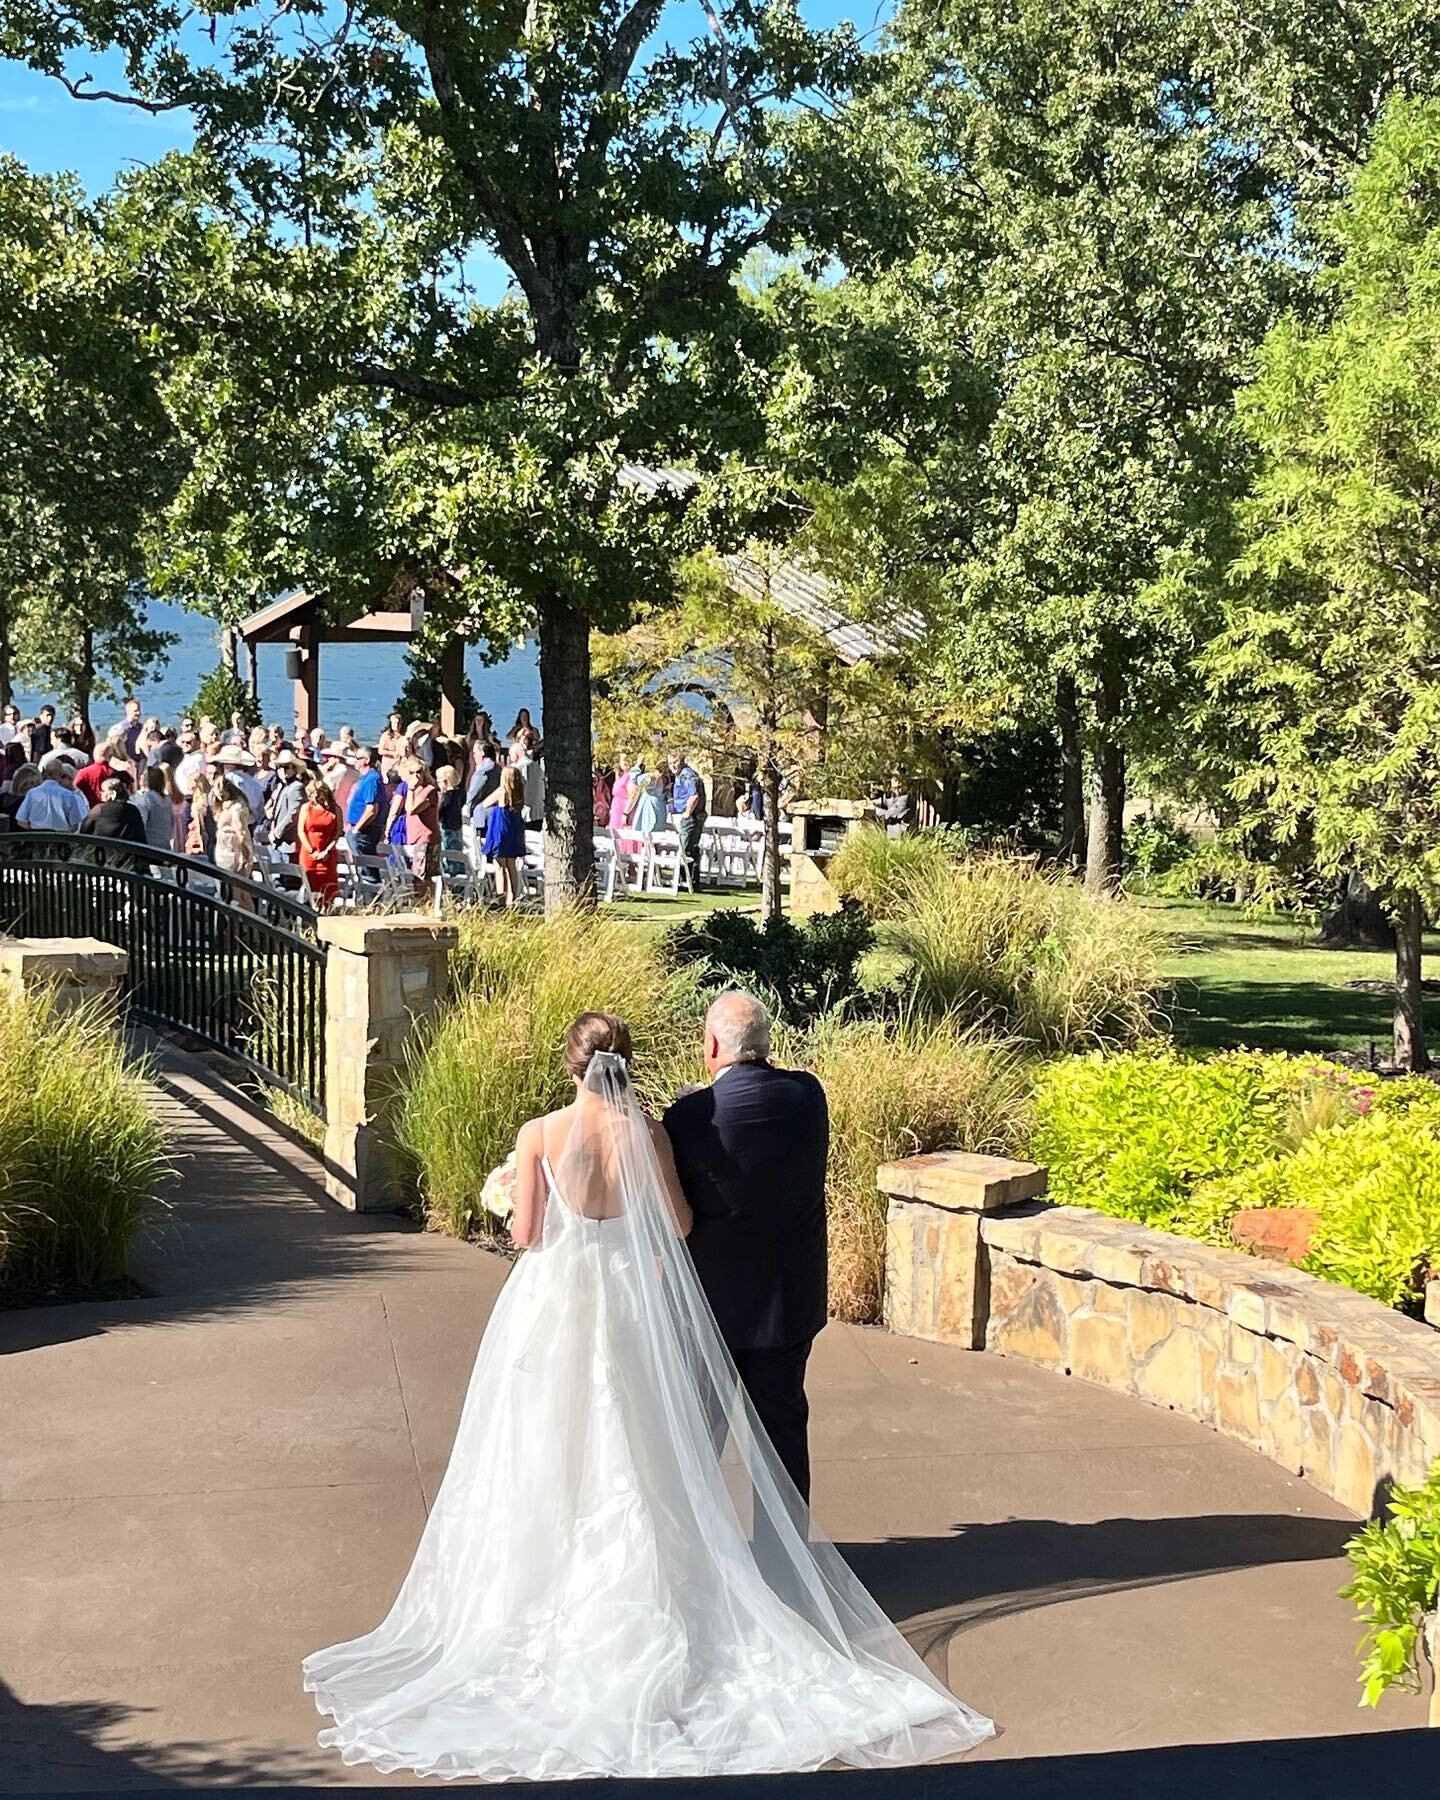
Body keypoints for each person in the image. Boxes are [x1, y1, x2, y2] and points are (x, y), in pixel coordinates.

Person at [301, 1011, 993, 1780]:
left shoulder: (539, 1133)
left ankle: (546, 1580)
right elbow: (680, 1219)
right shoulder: (653, 1134)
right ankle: (695, 1572)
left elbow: (528, 1235)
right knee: (633, 1443)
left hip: (555, 1307)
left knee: (545, 1441)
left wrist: (508, 1196)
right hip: (630, 1305)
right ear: (626, 1065)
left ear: (570, 1066)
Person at [663, 992, 827, 1505]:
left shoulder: (691, 1116)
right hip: (789, 1299)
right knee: (781, 1429)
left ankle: (703, 1552)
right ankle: (786, 1562)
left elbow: (680, 1206)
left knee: (700, 1432)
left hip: (715, 1304)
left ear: (712, 1043)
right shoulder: (807, 1096)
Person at [482, 762, 526, 907]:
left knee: (499, 865)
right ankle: (512, 898)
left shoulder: (502, 791)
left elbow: (485, 803)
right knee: (511, 865)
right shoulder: (519, 793)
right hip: (514, 829)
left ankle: (501, 897)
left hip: (500, 829)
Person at [297, 777, 342, 908]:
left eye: (318, 795)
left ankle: (327, 912)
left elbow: (338, 833)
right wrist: (312, 851)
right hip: (309, 853)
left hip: (328, 854)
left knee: (328, 887)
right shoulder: (306, 808)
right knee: (309, 885)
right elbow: (301, 831)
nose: (315, 798)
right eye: (312, 795)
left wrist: (327, 850)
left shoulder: (335, 809)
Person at [669, 749, 707, 893]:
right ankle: (686, 880)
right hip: (687, 815)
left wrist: (687, 813)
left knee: (687, 850)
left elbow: (694, 796)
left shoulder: (686, 774)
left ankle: (689, 881)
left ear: (682, 760)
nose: (672, 766)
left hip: (691, 817)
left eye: (675, 762)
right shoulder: (680, 775)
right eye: (670, 763)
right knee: (688, 849)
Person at [402, 757, 441, 892]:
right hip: (415, 838)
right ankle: (426, 903)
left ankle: (427, 904)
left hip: (426, 839)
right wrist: (411, 790)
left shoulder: (429, 790)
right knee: (418, 874)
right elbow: (407, 809)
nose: (416, 776)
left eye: (419, 772)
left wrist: (411, 790)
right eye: (412, 773)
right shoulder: (412, 791)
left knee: (422, 875)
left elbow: (412, 809)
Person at [78, 773, 147, 846]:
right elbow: (140, 836)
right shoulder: (133, 810)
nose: (100, 793)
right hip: (127, 853)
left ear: (113, 793)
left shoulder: (99, 810)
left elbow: (84, 831)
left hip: (103, 853)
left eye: (103, 790)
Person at [345, 746, 385, 859]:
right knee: (362, 867)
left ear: (366, 760)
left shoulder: (371, 779)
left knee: (367, 869)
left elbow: (371, 809)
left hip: (365, 831)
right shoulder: (365, 779)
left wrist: (356, 829)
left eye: (357, 758)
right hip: (360, 829)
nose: (355, 761)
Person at [213, 778, 254, 879]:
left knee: (236, 887)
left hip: (233, 852)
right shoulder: (227, 807)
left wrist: (242, 856)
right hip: (225, 851)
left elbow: (241, 834)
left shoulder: (236, 809)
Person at [268, 751, 307, 852]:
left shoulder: (297, 787)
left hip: (289, 843)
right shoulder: (281, 786)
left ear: (294, 769)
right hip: (278, 841)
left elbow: (293, 814)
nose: (282, 770)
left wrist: (277, 833)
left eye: (286, 767)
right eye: (279, 767)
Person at [131, 765, 176, 853]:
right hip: (165, 844)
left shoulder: (146, 798)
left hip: (149, 846)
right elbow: (172, 822)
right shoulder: (168, 800)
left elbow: (141, 822)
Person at [435, 763, 464, 857]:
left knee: (447, 852)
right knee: (457, 851)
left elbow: (439, 812)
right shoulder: (459, 793)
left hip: (446, 826)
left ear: (446, 781)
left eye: (439, 781)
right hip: (457, 826)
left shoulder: (446, 796)